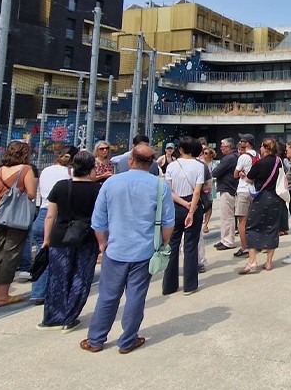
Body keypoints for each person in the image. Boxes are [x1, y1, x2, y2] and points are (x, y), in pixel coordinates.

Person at [82, 143, 173, 354]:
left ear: (130, 161)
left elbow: (98, 221)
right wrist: (163, 244)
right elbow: (168, 223)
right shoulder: (160, 186)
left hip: (115, 249)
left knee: (107, 296)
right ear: (151, 163)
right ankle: (128, 340)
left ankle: (96, 339)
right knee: (136, 296)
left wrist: (103, 244)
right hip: (144, 251)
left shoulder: (111, 183)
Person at [38, 149, 101, 332]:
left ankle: (52, 317)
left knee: (58, 277)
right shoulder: (97, 189)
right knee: (81, 275)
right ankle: (70, 316)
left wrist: (46, 239)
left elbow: (50, 216)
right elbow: (100, 218)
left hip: (60, 235)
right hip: (86, 235)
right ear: (91, 168)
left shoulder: (60, 186)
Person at [0, 140, 38, 306]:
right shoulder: (26, 169)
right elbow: (31, 194)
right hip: (17, 218)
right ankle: (4, 295)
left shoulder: (0, 170)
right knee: (11, 254)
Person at [29, 148, 73, 305]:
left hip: (42, 214)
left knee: (43, 256)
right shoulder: (69, 174)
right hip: (56, 217)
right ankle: (56, 293)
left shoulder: (46, 170)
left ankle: (38, 293)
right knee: (60, 258)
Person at [161, 137, 204, 296]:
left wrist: (182, 203)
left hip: (175, 206)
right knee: (191, 246)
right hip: (193, 204)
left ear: (181, 149)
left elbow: (169, 190)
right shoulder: (199, 166)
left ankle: (169, 285)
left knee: (172, 245)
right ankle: (190, 285)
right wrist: (191, 209)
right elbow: (198, 191)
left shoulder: (172, 165)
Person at [239, 137, 286, 274]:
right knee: (272, 227)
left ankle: (252, 261)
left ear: (265, 148)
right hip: (276, 198)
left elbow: (248, 179)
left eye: (261, 146)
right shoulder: (279, 161)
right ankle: (269, 262)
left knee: (252, 227)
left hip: (262, 197)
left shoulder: (259, 164)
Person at [210, 138, 239, 251]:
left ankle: (228, 241)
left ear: (228, 147)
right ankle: (224, 239)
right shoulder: (234, 157)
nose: (221, 148)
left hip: (228, 188)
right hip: (230, 187)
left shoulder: (229, 158)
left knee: (227, 216)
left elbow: (216, 171)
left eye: (222, 146)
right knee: (226, 216)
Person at [232, 134, 258, 258]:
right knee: (253, 220)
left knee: (242, 222)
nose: (240, 142)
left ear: (247, 143)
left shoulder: (243, 157)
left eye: (242, 140)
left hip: (243, 190)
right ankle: (256, 244)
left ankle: (245, 247)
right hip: (254, 190)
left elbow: (235, 174)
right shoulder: (257, 155)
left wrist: (240, 172)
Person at [200, 145, 216, 236]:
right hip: (202, 186)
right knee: (201, 204)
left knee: (209, 205)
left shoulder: (215, 164)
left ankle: (206, 224)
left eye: (206, 153)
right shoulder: (200, 163)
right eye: (203, 153)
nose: (204, 155)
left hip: (211, 187)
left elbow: (217, 174)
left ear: (211, 155)